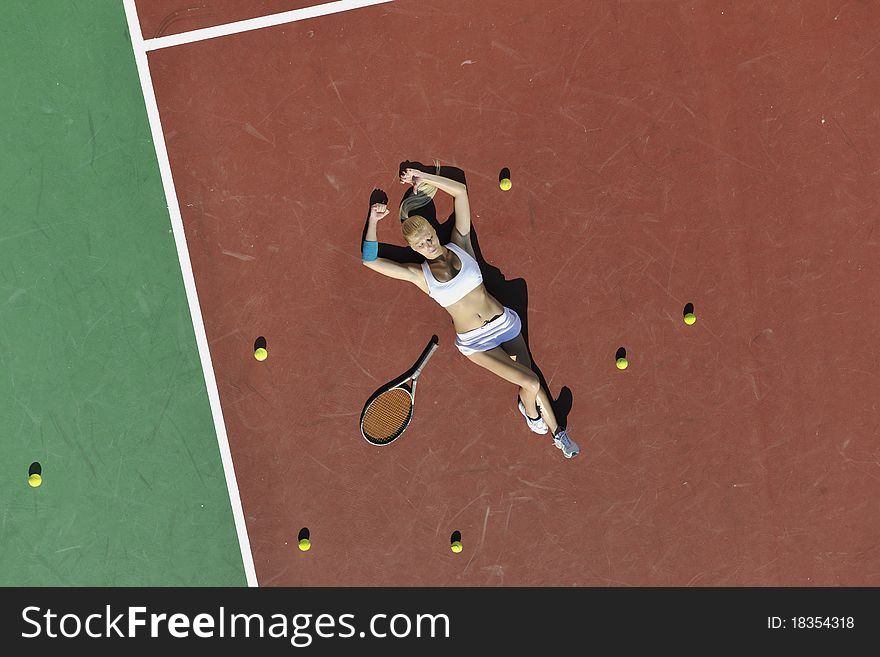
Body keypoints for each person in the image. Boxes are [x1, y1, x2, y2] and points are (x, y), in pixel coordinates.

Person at [361, 166, 579, 459]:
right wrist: (373, 220)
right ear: (412, 248)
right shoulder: (420, 275)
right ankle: (546, 426)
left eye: (428, 236)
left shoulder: (461, 244)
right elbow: (370, 260)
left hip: (505, 323)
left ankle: (547, 425)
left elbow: (460, 191)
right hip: (477, 343)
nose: (427, 244)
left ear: (432, 231)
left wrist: (425, 178)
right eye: (419, 244)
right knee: (530, 382)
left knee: (531, 375)